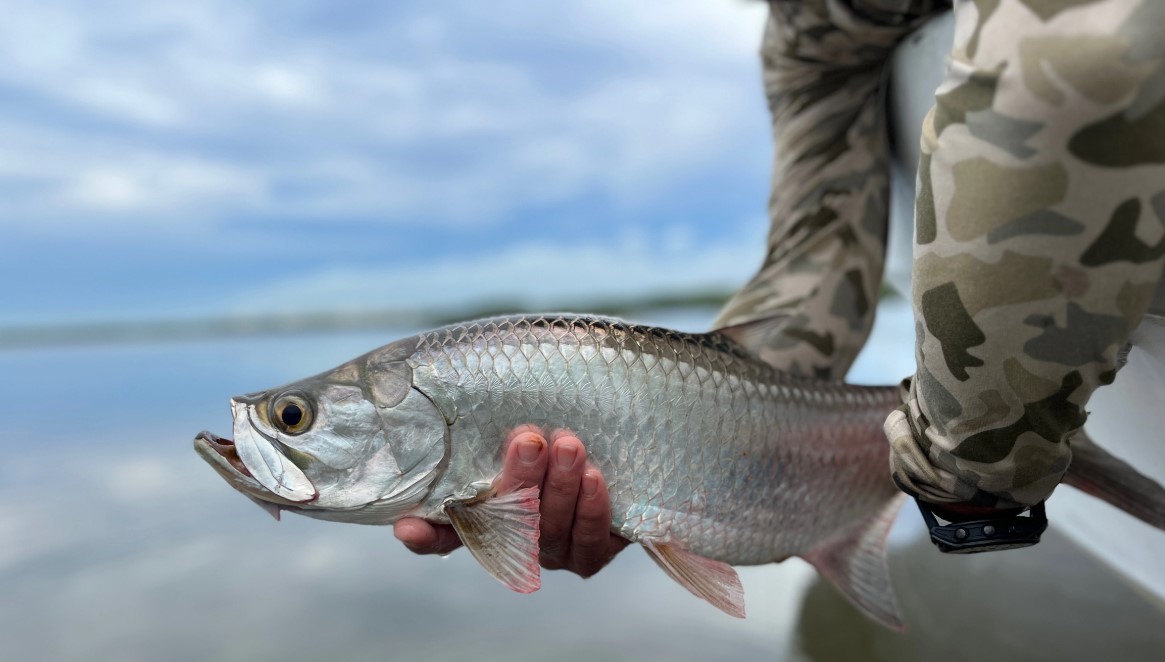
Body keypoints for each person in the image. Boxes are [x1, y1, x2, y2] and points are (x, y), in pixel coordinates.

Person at [395, 0, 1165, 569]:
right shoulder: (812, 29)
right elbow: (815, 254)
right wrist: (694, 443)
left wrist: (970, 465)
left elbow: (1089, 55)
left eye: (296, 418)